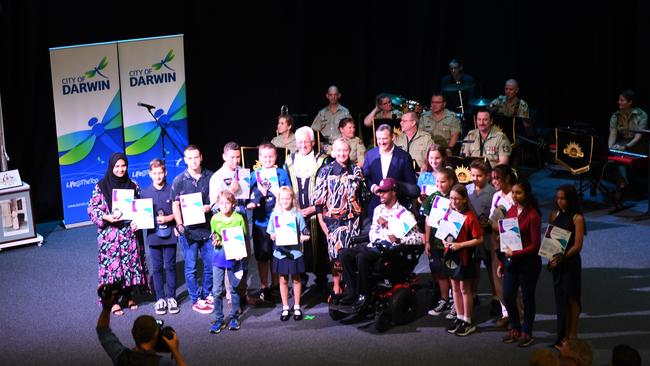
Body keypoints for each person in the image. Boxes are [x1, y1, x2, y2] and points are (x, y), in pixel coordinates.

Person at [340, 177, 424, 308]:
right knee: (344, 253)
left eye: (384, 192)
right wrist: (378, 234)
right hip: (374, 245)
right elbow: (372, 232)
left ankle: (364, 295)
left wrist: (399, 239)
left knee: (362, 257)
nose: (380, 194)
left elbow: (420, 238)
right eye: (379, 191)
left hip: (390, 251)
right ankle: (351, 292)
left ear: (394, 192)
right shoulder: (378, 210)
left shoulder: (405, 214)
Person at [88, 152, 148, 315]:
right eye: (117, 166)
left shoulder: (133, 185)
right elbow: (92, 210)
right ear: (111, 167)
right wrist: (106, 216)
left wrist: (139, 220)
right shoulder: (101, 186)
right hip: (110, 236)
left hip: (129, 235)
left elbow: (140, 208)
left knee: (129, 266)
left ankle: (128, 296)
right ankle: (113, 301)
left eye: (123, 166)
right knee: (113, 269)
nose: (121, 169)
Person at [313, 138, 365, 295]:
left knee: (350, 254)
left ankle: (350, 285)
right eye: (339, 150)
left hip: (353, 220)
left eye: (345, 150)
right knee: (335, 255)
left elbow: (363, 195)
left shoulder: (356, 170)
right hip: (333, 221)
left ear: (349, 152)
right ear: (333, 152)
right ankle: (336, 286)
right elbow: (318, 199)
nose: (342, 153)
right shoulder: (325, 171)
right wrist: (321, 221)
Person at [284, 126, 330, 292]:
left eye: (307, 141)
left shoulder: (323, 160)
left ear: (313, 142)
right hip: (295, 212)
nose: (303, 145)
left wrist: (315, 207)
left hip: (317, 212)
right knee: (297, 247)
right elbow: (286, 186)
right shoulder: (289, 161)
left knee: (319, 247)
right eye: (300, 142)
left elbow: (328, 188)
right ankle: (300, 280)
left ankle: (322, 280)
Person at [170, 145, 214, 314]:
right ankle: (196, 298)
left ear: (201, 157)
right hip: (188, 232)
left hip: (208, 229)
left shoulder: (211, 177)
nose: (193, 161)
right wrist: (180, 225)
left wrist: (209, 206)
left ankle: (208, 292)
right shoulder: (179, 180)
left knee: (210, 264)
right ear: (185, 160)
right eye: (189, 158)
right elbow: (175, 204)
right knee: (191, 267)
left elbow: (218, 198)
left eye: (196, 157)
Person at [499, 180, 542, 348]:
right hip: (512, 262)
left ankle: (527, 332)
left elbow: (535, 245)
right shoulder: (511, 210)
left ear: (527, 194)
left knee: (527, 298)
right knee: (508, 295)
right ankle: (515, 328)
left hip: (528, 263)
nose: (515, 196)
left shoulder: (533, 215)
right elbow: (508, 238)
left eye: (519, 193)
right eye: (513, 193)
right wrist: (503, 261)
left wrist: (515, 254)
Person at [247, 143, 291, 302]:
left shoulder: (281, 173)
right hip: (261, 223)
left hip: (279, 222)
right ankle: (264, 287)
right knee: (262, 256)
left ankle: (276, 286)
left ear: (276, 157)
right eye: (264, 156)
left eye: (271, 156)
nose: (268, 159)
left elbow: (290, 193)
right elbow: (247, 198)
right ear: (259, 158)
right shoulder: (253, 175)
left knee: (277, 256)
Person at [97, 287, 187, 366]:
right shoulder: (163, 362)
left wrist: (107, 307)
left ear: (133, 333)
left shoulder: (122, 357)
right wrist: (175, 351)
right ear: (155, 336)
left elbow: (103, 331)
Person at [442, 184, 483, 337]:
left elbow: (479, 239)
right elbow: (445, 233)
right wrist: (446, 242)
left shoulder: (470, 217)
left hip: (465, 258)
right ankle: (459, 317)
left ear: (465, 200)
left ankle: (468, 320)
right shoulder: (450, 213)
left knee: (465, 289)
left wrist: (461, 245)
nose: (453, 201)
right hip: (451, 257)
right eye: (451, 198)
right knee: (455, 288)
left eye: (456, 199)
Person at [548, 184, 585, 349]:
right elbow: (551, 239)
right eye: (558, 198)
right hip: (557, 262)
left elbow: (577, 246)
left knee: (572, 298)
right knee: (560, 299)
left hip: (570, 263)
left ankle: (572, 334)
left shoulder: (577, 218)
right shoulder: (554, 214)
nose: (559, 201)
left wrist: (562, 257)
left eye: (563, 198)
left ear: (570, 199)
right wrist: (551, 257)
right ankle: (562, 335)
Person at [140, 158, 179, 315]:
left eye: (160, 173)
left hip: (170, 234)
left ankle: (171, 297)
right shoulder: (144, 193)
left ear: (165, 173)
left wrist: (169, 219)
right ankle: (160, 299)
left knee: (169, 266)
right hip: (153, 235)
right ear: (150, 174)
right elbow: (141, 215)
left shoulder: (172, 189)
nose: (157, 176)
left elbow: (178, 212)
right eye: (154, 173)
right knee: (156, 268)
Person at [267, 186, 310, 321]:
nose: (285, 201)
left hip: (295, 252)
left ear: (292, 199)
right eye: (282, 198)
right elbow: (271, 232)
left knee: (296, 279)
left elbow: (305, 231)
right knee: (283, 280)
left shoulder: (297, 214)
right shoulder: (275, 215)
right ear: (278, 200)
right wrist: (273, 236)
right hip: (280, 253)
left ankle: (296, 306)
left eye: (288, 198)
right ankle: (285, 307)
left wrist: (305, 237)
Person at [209, 190, 247, 334]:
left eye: (227, 203)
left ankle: (234, 317)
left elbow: (242, 238)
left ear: (233, 204)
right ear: (218, 205)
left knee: (234, 288)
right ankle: (219, 319)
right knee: (217, 290)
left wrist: (241, 253)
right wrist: (216, 240)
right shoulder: (214, 219)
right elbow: (215, 236)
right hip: (219, 257)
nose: (224, 206)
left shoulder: (238, 218)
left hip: (234, 257)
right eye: (222, 203)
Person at [423, 167, 457, 319]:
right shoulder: (433, 197)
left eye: (443, 181)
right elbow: (428, 220)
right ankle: (444, 300)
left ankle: (455, 303)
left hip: (451, 241)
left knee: (453, 271)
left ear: (451, 182)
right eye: (437, 181)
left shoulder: (455, 197)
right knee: (439, 270)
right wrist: (426, 240)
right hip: (435, 241)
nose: (439, 184)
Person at [363, 124, 417, 217]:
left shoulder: (404, 157)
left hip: (398, 209)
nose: (381, 142)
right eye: (378, 139)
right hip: (376, 207)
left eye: (384, 138)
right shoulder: (370, 155)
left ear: (392, 137)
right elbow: (366, 177)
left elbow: (411, 185)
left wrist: (395, 187)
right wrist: (373, 187)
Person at [466, 159, 498, 316]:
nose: (474, 178)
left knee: (492, 267)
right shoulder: (467, 190)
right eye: (472, 175)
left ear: (487, 176)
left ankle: (496, 297)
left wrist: (488, 223)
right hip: (472, 236)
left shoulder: (493, 193)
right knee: (474, 267)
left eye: (479, 176)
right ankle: (473, 295)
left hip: (487, 236)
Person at [489, 164, 518, 327]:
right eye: (492, 178)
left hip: (512, 243)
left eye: (497, 178)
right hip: (496, 242)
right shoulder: (496, 196)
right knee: (499, 280)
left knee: (513, 282)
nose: (494, 182)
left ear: (507, 178)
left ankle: (518, 318)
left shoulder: (515, 194)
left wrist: (493, 226)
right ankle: (505, 313)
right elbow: (494, 220)